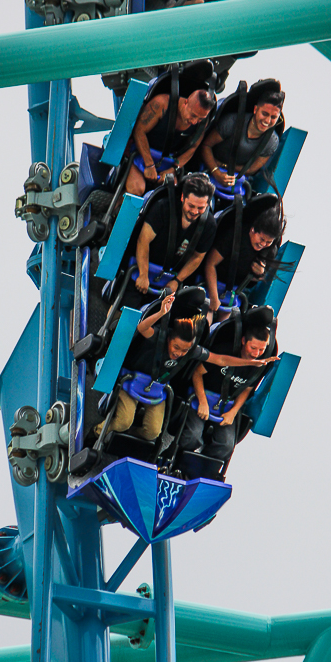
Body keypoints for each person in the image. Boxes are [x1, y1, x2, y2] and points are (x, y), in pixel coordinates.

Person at [95, 293, 274, 441]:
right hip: (130, 381)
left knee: (153, 432)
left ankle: (122, 439)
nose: (179, 353)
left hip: (156, 390)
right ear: (170, 339)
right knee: (123, 422)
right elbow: (142, 327)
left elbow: (219, 360)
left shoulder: (191, 351)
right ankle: (96, 433)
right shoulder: (158, 336)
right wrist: (160, 313)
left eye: (184, 350)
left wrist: (250, 363)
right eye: (176, 348)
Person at [179, 323, 278, 464]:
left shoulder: (259, 364)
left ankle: (200, 467)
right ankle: (179, 460)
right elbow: (197, 373)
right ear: (244, 341)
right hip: (202, 397)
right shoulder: (225, 350)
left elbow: (247, 389)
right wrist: (202, 401)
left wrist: (233, 412)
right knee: (193, 436)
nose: (256, 354)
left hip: (226, 406)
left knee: (225, 445)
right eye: (253, 348)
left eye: (261, 350)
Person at [123, 173, 217, 309]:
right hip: (144, 267)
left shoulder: (209, 225)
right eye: (191, 206)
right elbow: (143, 241)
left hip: (171, 278)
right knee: (126, 310)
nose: (195, 211)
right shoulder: (163, 208)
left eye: (201, 208)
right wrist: (143, 274)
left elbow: (198, 257)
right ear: (183, 198)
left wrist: (177, 280)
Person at [125, 89, 215, 197]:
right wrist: (149, 164)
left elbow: (193, 147)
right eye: (193, 115)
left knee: (170, 195)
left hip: (168, 161)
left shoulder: (201, 123)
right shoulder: (162, 104)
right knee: (136, 190)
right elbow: (139, 131)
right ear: (186, 102)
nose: (194, 122)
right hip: (142, 154)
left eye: (200, 118)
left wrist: (174, 169)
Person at [204, 196, 285, 315]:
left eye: (268, 242)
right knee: (208, 315)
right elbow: (210, 264)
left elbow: (252, 283)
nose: (263, 244)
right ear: (253, 230)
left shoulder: (269, 251)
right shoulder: (235, 236)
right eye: (261, 239)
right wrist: (214, 297)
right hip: (213, 283)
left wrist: (258, 275)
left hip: (233, 293)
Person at [200, 89, 284, 190]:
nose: (267, 120)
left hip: (237, 179)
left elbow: (251, 170)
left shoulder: (272, 141)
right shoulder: (231, 122)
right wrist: (216, 172)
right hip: (208, 168)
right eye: (264, 114)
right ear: (255, 110)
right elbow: (206, 146)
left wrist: (223, 166)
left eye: (273, 117)